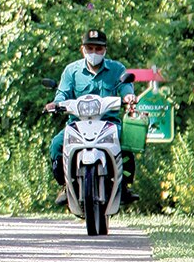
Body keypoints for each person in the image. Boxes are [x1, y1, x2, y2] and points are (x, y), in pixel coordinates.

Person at [44, 29, 139, 205]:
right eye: (90, 48)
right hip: (77, 124)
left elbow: (126, 88)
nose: (94, 52)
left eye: (98, 48)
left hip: (108, 124)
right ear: (83, 49)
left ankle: (124, 186)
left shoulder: (117, 69)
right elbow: (62, 93)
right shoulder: (71, 71)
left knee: (126, 142)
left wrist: (128, 97)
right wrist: (55, 104)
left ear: (105, 50)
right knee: (56, 144)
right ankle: (65, 185)